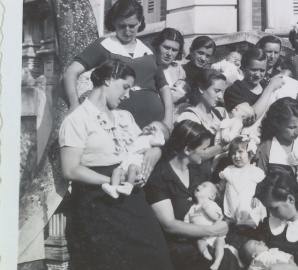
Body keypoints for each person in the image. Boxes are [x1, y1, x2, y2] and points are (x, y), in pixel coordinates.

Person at [59, 59, 173, 269]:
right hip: (99, 200)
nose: (127, 95)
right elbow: (70, 168)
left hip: (134, 198)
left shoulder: (125, 116)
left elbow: (144, 143)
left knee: (157, 257)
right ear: (108, 79)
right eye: (125, 87)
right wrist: (112, 181)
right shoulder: (77, 119)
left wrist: (156, 151)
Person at [63, 0, 174, 130]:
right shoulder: (103, 46)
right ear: (114, 22)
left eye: (132, 26)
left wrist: (168, 118)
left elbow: (164, 87)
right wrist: (74, 104)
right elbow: (70, 72)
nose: (127, 31)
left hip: (154, 122)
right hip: (117, 123)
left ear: (139, 23)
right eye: (122, 25)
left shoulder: (149, 51)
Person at [144, 120, 240, 270]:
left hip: (207, 240)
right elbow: (169, 225)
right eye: (203, 148)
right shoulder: (159, 177)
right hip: (181, 247)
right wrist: (212, 230)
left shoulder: (199, 170)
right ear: (187, 150)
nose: (206, 152)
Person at [102, 121, 169, 198]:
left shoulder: (151, 138)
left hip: (138, 168)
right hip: (126, 165)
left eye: (154, 128)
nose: (150, 128)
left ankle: (128, 187)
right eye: (149, 125)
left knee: (132, 168)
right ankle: (114, 189)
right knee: (116, 171)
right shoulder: (139, 136)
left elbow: (160, 142)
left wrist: (157, 132)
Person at [176, 68, 230, 161]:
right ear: (201, 88)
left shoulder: (219, 113)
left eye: (222, 91)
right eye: (217, 91)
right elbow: (191, 154)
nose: (220, 96)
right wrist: (223, 146)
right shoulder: (189, 117)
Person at [223, 48, 285, 119]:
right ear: (243, 68)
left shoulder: (265, 84)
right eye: (253, 70)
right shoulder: (233, 91)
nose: (258, 75)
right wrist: (269, 89)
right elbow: (249, 117)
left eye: (262, 70)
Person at [218, 136, 267, 227]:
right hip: (230, 215)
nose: (236, 156)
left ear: (250, 153)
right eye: (233, 153)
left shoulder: (256, 172)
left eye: (240, 152)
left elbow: (264, 189)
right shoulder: (228, 170)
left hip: (249, 214)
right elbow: (220, 188)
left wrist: (257, 197)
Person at [184, 181, 226, 270]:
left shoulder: (212, 204)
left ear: (211, 196)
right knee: (200, 242)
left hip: (214, 234)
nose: (199, 185)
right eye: (199, 185)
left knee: (220, 242)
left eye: (204, 186)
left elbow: (217, 217)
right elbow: (186, 220)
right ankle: (204, 252)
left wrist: (207, 210)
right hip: (201, 235)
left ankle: (217, 262)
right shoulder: (192, 207)